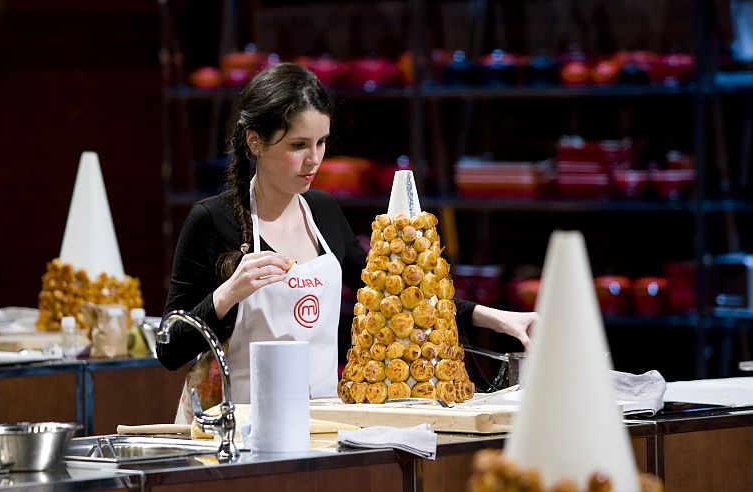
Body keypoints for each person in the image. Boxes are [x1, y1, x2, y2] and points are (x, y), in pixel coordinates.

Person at [158, 63, 537, 420]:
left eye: (321, 143)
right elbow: (170, 349)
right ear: (255, 142)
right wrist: (228, 294)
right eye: (297, 146)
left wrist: (497, 318)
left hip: (324, 419)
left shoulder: (322, 211)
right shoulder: (211, 219)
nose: (314, 160)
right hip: (243, 425)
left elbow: (398, 297)